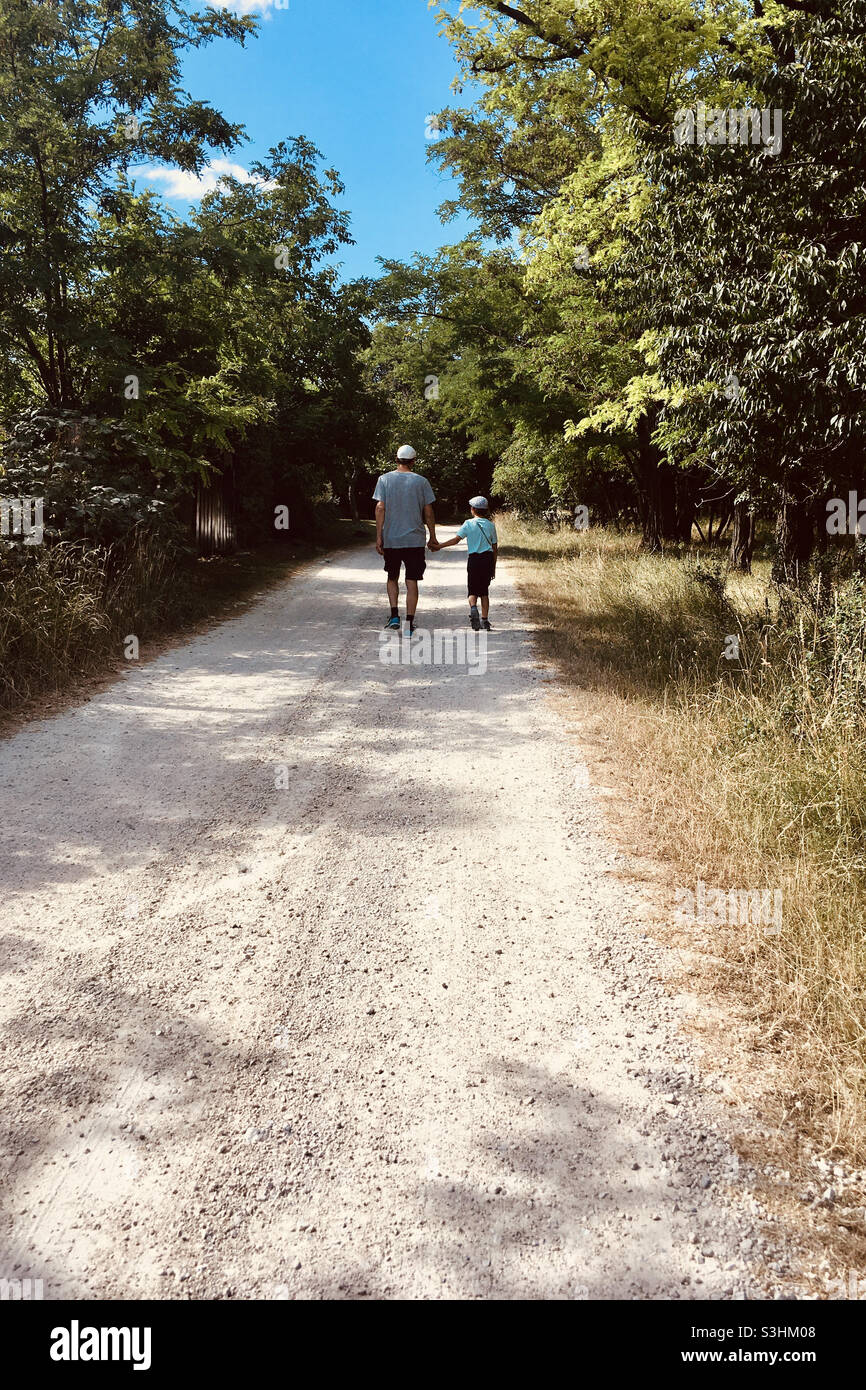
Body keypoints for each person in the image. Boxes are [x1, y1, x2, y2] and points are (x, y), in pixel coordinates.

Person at [373, 446, 438, 633]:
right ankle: (409, 624)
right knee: (412, 581)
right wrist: (432, 536)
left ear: (396, 459)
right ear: (413, 460)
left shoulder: (384, 479)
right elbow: (428, 511)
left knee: (392, 577)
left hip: (392, 538)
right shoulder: (422, 482)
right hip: (414, 540)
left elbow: (380, 508)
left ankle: (394, 616)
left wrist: (379, 536)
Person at [430, 496, 497, 631]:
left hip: (474, 560)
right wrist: (493, 568)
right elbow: (495, 548)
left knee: (472, 589)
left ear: (472, 509)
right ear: (486, 510)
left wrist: (439, 546)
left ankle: (473, 609)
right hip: (487, 559)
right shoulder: (491, 525)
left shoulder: (468, 524)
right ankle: (485, 620)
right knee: (484, 592)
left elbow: (456, 540)